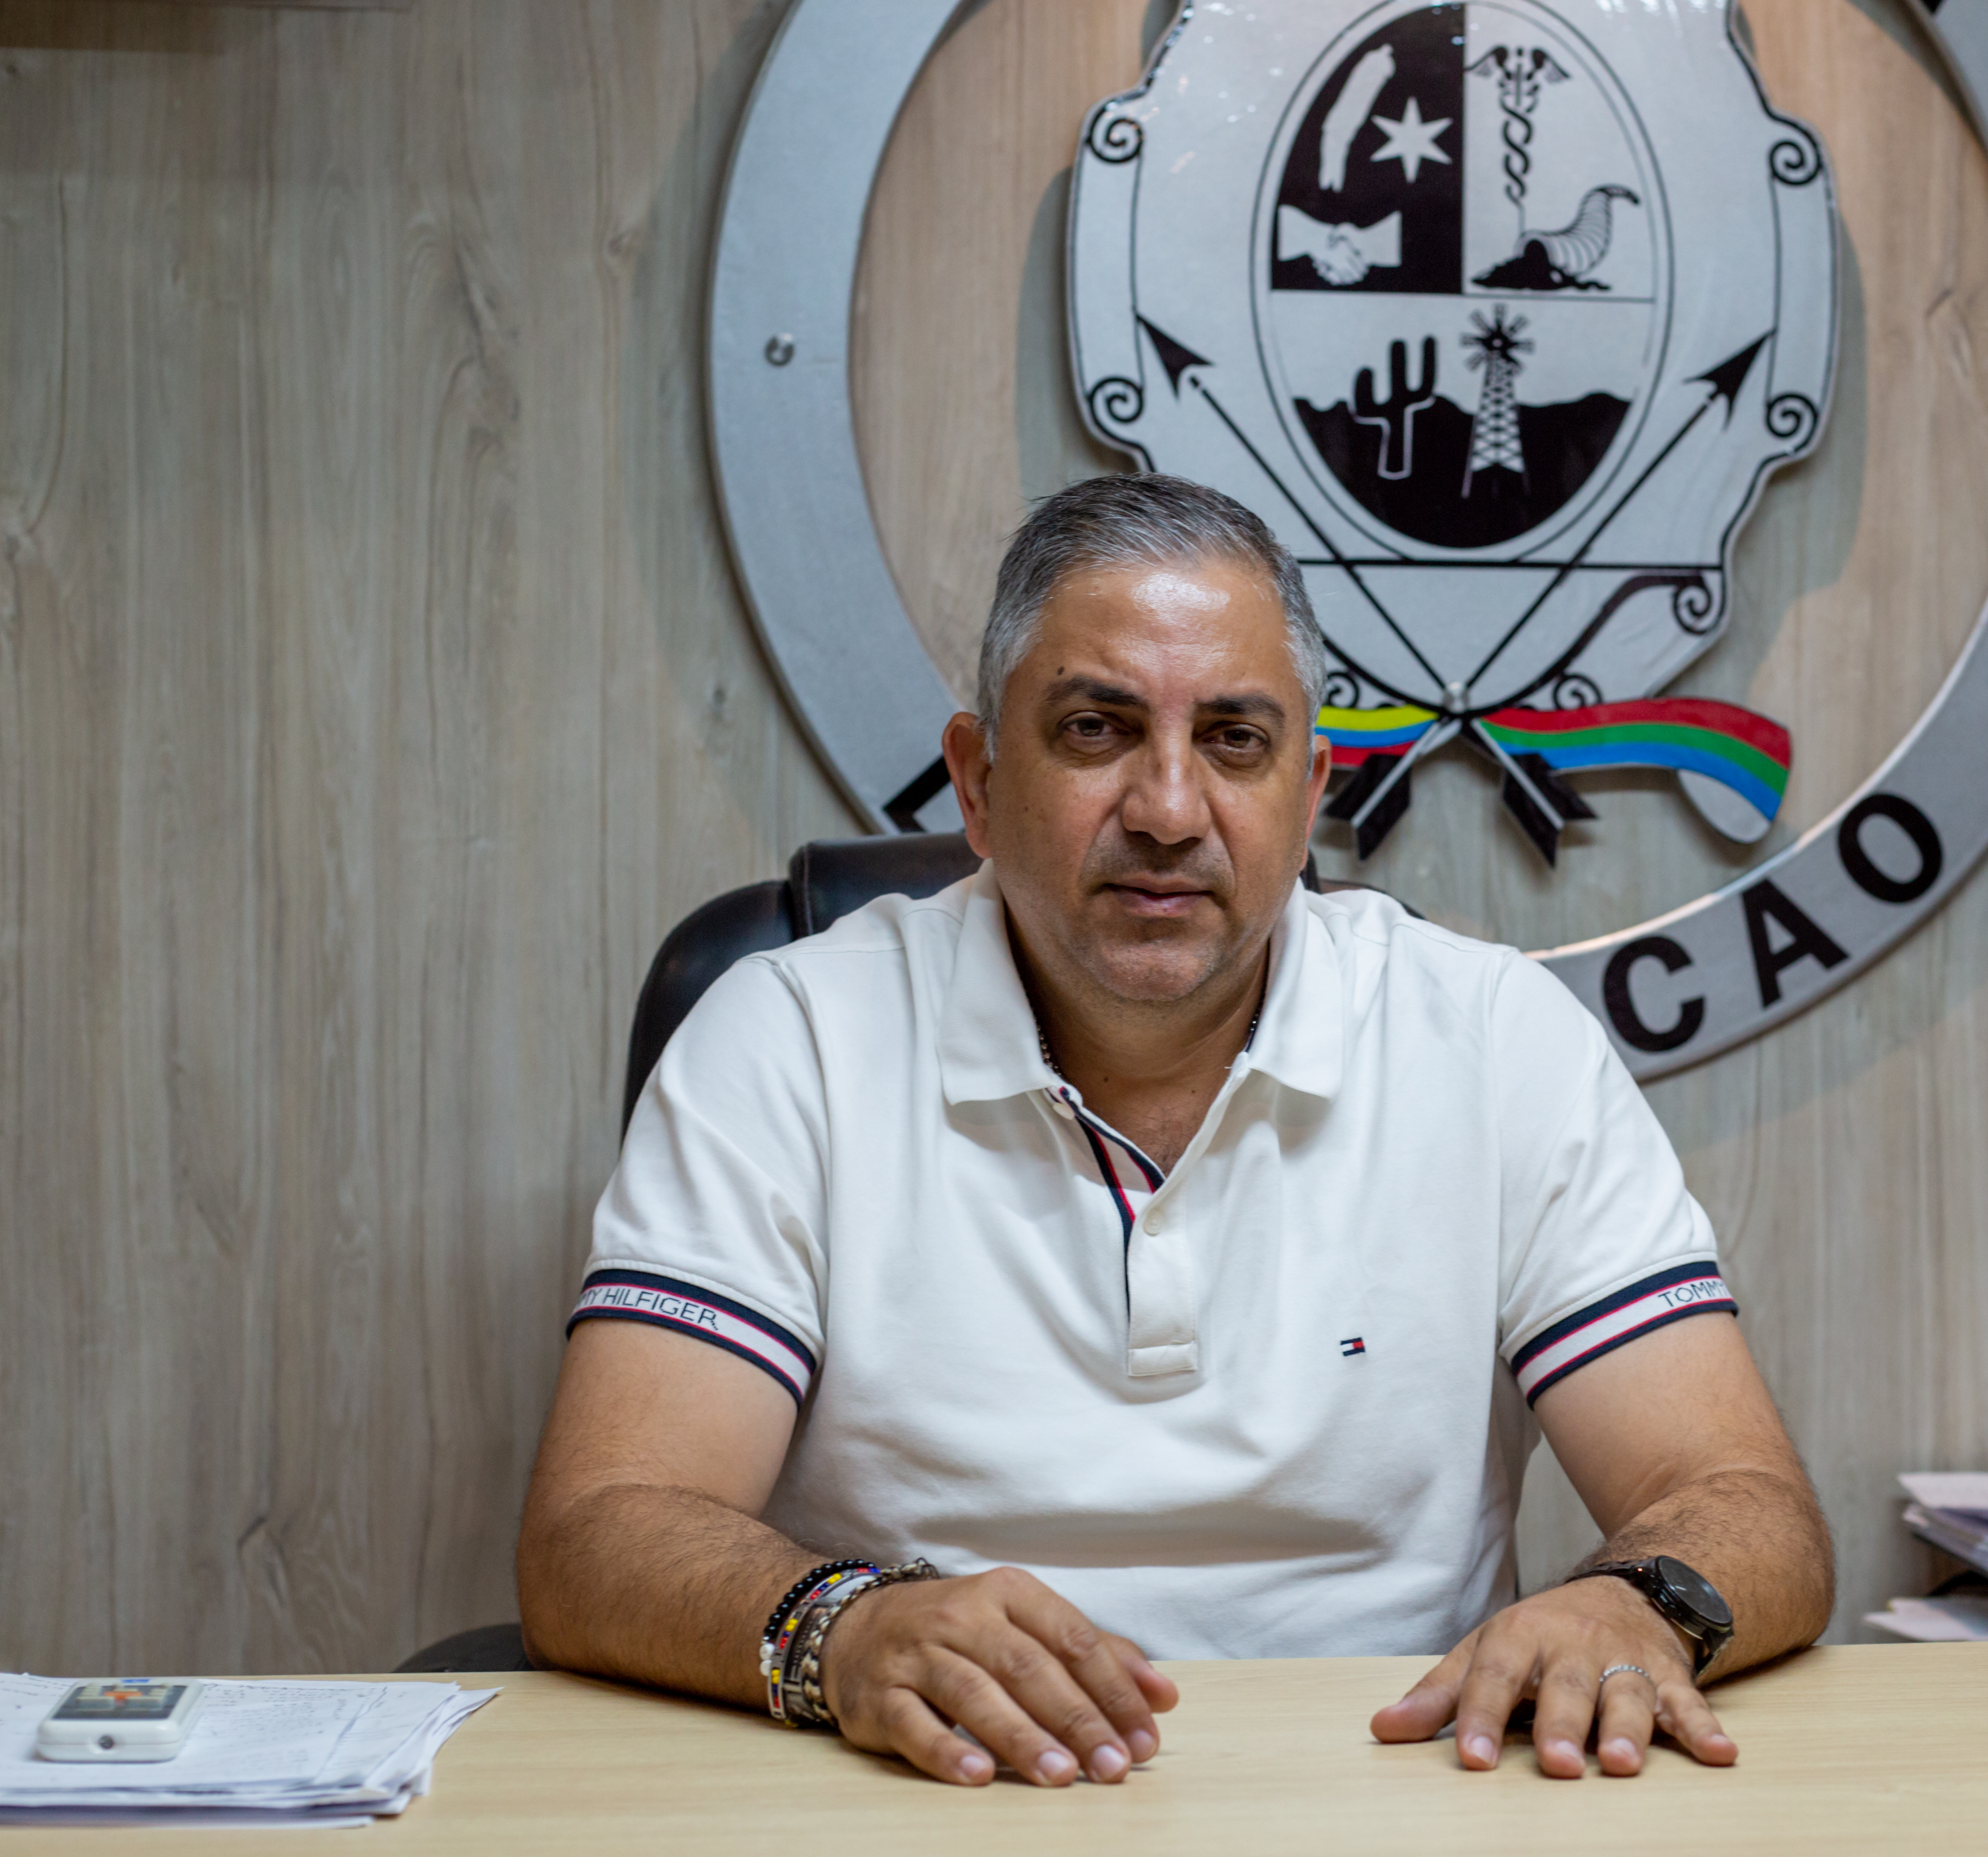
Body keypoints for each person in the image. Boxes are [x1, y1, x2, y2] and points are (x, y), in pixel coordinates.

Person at [517, 474, 1831, 1787]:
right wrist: (847, 1628)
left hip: (1404, 1807)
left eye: (1236, 741)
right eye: (1096, 730)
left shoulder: (1493, 1038)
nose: (1167, 808)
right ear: (976, 781)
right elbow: (600, 1530)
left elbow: (1744, 1497)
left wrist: (1635, 1604)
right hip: (932, 1798)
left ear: (1310, 789)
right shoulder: (786, 1037)